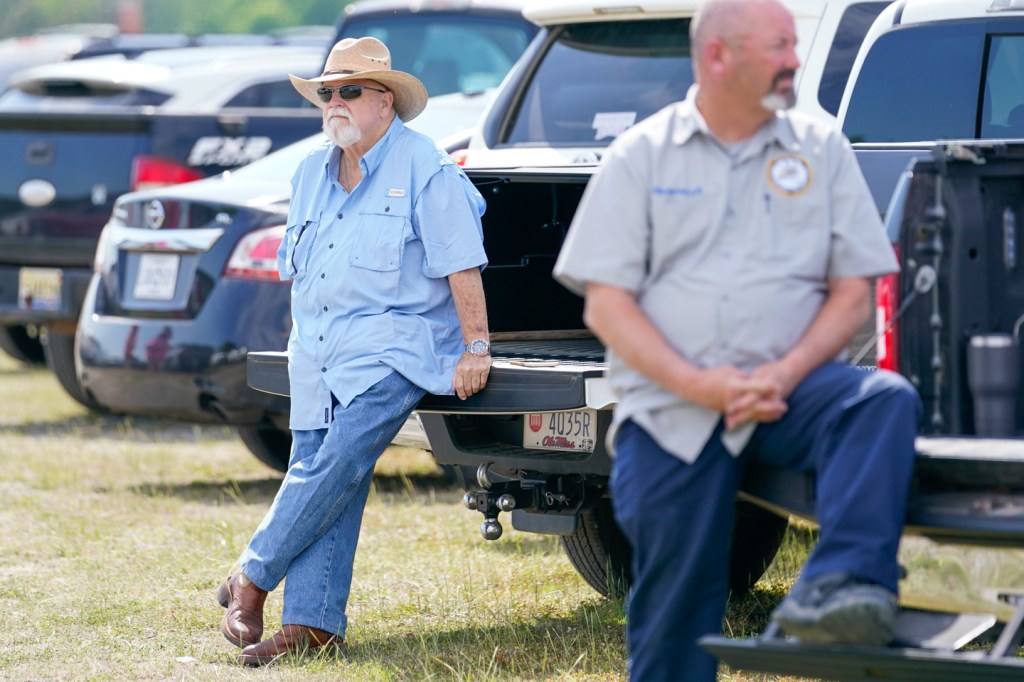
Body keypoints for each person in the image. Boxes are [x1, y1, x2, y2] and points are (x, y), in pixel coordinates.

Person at [552, 1, 921, 680]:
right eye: (778, 46)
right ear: (719, 55)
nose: (795, 60)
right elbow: (607, 305)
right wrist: (701, 384)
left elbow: (853, 292)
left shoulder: (820, 148)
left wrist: (784, 372)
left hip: (793, 391)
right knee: (677, 609)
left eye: (793, 44)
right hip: (673, 403)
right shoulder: (641, 154)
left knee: (880, 400)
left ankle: (842, 589)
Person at [216, 36, 492, 666]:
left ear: (385, 101)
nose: (334, 102)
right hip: (318, 351)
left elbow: (462, 264)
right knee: (321, 470)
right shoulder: (308, 173)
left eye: (349, 91)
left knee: (338, 460)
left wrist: (475, 347)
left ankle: (251, 578)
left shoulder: (427, 167)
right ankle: (313, 626)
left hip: (397, 349)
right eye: (326, 93)